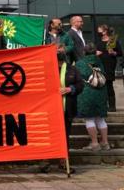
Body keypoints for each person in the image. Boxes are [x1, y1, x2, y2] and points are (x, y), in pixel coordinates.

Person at [41, 46, 83, 174]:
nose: (59, 54)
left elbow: (80, 84)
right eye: (56, 52)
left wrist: (70, 89)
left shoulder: (72, 69)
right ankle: (46, 161)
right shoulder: (47, 68)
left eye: (60, 52)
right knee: (48, 136)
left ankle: (63, 162)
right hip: (49, 110)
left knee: (64, 136)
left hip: (66, 109)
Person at [76, 43, 109, 151]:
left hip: (87, 93)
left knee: (89, 119)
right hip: (101, 92)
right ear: (95, 51)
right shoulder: (100, 61)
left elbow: (78, 78)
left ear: (84, 52)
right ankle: (105, 143)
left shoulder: (80, 63)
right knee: (100, 119)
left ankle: (95, 144)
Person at [96, 24, 122, 112]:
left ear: (105, 31)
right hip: (100, 66)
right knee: (101, 86)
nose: (98, 32)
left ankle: (112, 106)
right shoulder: (99, 42)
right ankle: (103, 105)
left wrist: (113, 53)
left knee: (109, 85)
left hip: (110, 66)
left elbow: (120, 53)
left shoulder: (112, 41)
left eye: (99, 31)